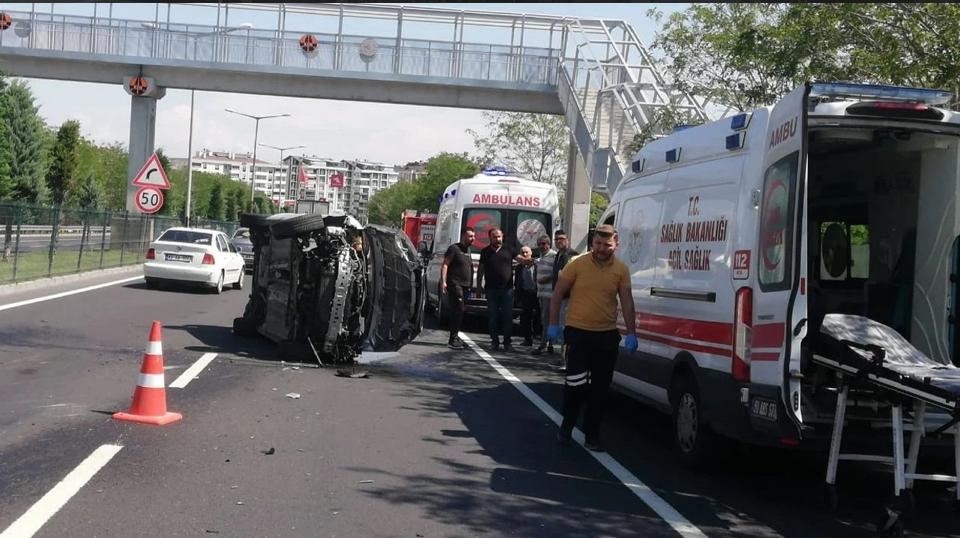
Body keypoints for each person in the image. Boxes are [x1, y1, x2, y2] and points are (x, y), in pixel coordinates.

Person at [548, 224, 637, 452]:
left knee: (600, 389)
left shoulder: (621, 269)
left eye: (606, 245)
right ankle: (567, 425)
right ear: (592, 243)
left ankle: (592, 435)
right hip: (578, 333)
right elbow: (558, 293)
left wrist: (631, 332)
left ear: (616, 244)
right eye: (597, 243)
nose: (601, 248)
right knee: (576, 385)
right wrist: (553, 324)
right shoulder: (577, 264)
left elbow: (626, 301)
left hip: (606, 335)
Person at [476, 227, 528, 352]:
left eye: (499, 236)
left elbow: (519, 259)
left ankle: (507, 343)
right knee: (493, 316)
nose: (497, 239)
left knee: (507, 316)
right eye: (494, 236)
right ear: (490, 237)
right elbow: (481, 269)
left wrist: (530, 261)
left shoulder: (509, 249)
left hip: (507, 290)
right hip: (491, 289)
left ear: (502, 236)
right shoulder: (485, 251)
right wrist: (478, 285)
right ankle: (494, 342)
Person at [440, 227, 476, 349]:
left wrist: (471, 284)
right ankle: (452, 339)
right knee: (458, 310)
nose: (473, 238)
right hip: (455, 284)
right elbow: (445, 264)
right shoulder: (454, 248)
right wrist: (443, 281)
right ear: (463, 236)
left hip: (466, 285)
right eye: (470, 236)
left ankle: (455, 336)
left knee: (461, 311)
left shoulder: (468, 250)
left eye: (473, 236)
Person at [549, 229, 580, 367]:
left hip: (569, 297)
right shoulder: (558, 256)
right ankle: (562, 358)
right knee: (562, 329)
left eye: (561, 239)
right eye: (556, 239)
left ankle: (567, 360)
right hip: (559, 297)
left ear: (567, 240)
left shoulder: (571, 256)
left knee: (566, 328)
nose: (558, 241)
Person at [532, 235, 556, 355]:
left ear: (549, 243)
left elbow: (557, 273)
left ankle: (545, 344)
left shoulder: (554, 256)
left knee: (547, 320)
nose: (541, 246)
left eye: (544, 243)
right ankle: (549, 343)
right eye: (539, 244)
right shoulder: (540, 257)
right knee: (545, 319)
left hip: (550, 293)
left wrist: (546, 279)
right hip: (541, 292)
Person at [514, 245, 539, 347]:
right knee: (526, 318)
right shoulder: (519, 267)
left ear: (531, 253)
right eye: (522, 252)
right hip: (526, 294)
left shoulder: (537, 265)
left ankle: (540, 339)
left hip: (537, 294)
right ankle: (527, 339)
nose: (524, 254)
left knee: (539, 317)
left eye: (526, 252)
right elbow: (517, 282)